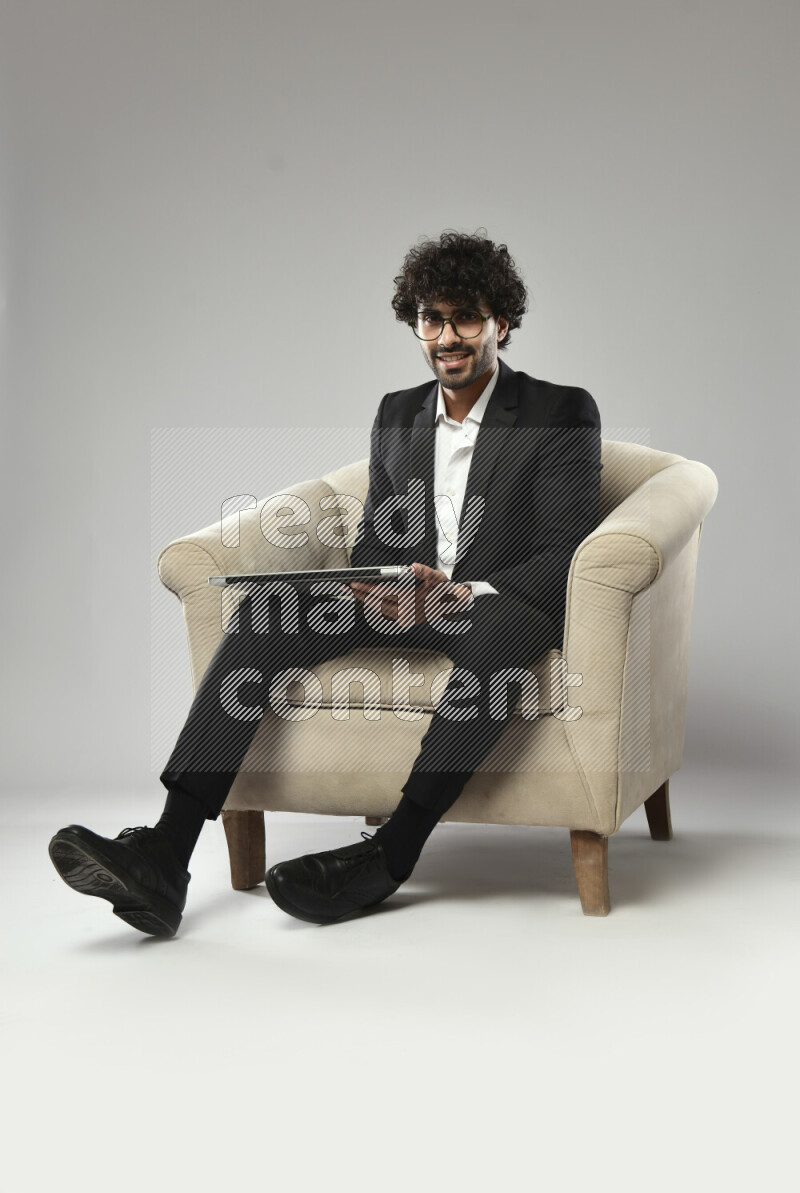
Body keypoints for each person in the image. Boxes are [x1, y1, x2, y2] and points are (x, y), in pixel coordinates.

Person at [49, 230, 602, 936]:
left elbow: (563, 554)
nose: (446, 336)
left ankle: (389, 855)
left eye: (464, 317)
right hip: (411, 598)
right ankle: (166, 851)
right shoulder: (398, 412)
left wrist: (461, 594)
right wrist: (380, 585)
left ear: (501, 322)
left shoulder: (559, 411)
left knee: (496, 634)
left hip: (499, 606)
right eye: (430, 319)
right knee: (266, 613)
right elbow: (380, 534)